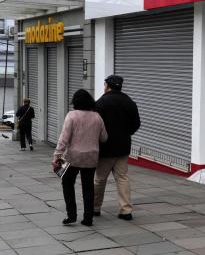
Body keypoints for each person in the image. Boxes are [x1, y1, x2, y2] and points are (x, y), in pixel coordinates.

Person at [52, 89, 108, 226]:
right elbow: (104, 138)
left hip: (73, 157)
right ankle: (88, 218)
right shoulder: (97, 117)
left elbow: (64, 139)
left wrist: (56, 155)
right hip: (91, 157)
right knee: (88, 187)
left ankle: (71, 215)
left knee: (67, 184)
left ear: (75, 102)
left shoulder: (71, 116)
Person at [94, 75, 141, 221]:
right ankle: (126, 210)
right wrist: (126, 133)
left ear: (107, 86)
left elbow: (95, 125)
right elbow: (136, 123)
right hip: (123, 147)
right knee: (122, 178)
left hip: (105, 148)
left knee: (100, 179)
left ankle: (95, 208)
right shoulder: (129, 102)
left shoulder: (101, 102)